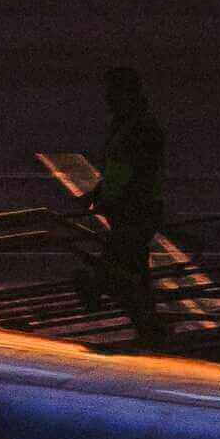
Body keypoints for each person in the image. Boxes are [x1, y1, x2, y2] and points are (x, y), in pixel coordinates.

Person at [83, 65, 168, 343]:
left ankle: (97, 291)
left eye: (112, 93)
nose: (107, 99)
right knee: (134, 266)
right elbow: (117, 168)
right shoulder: (127, 124)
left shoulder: (141, 128)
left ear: (126, 93)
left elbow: (137, 172)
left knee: (118, 263)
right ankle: (150, 326)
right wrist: (98, 193)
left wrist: (113, 199)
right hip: (127, 208)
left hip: (136, 209)